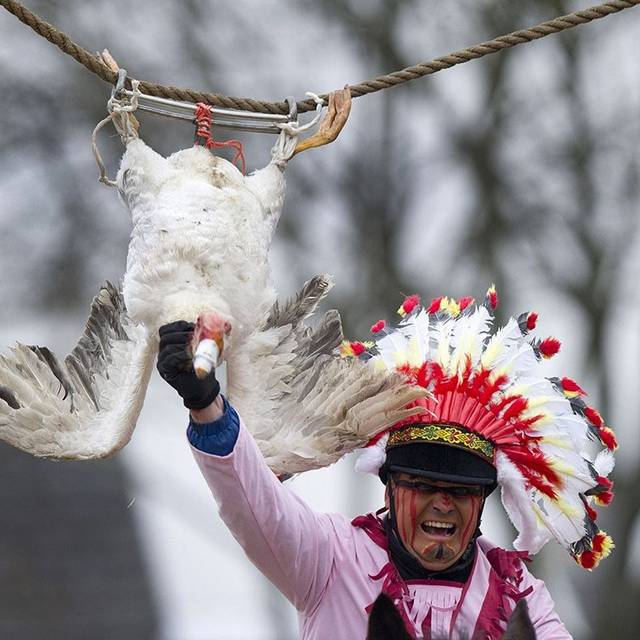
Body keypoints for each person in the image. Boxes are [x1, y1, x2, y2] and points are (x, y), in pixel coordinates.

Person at [157, 289, 616, 640]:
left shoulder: (520, 595)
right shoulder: (330, 558)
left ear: (480, 504)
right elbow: (254, 507)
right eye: (422, 484)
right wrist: (206, 405)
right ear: (390, 488)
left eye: (459, 491)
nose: (442, 503)